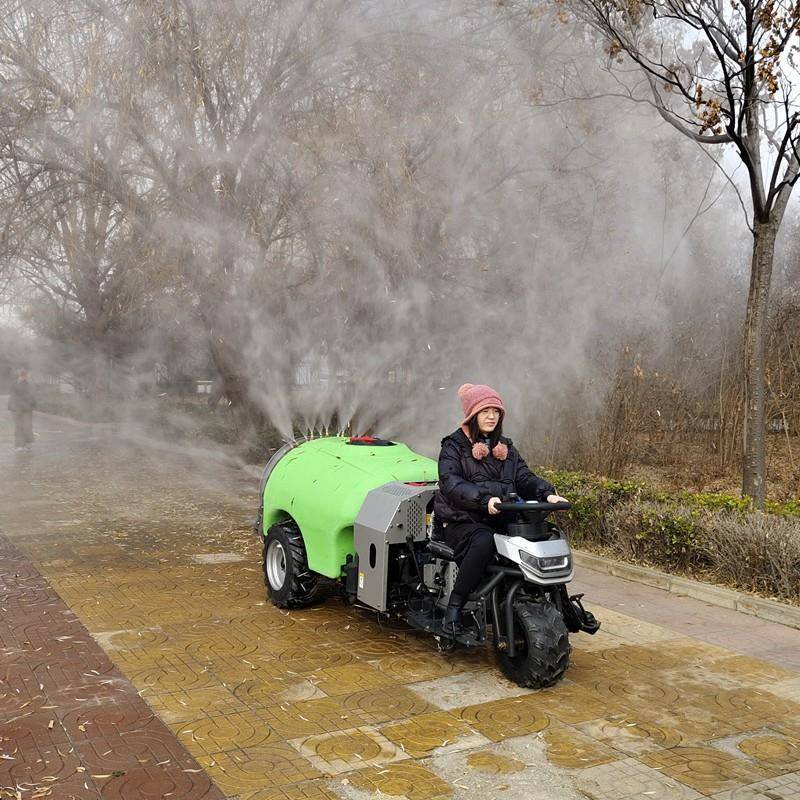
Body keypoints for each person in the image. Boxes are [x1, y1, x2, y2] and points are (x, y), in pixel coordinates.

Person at [433, 382, 567, 634]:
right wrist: (484, 500)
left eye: (496, 411)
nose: (492, 416)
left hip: (500, 517)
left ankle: (562, 605)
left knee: (546, 536)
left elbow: (525, 478)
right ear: (472, 415)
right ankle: (455, 605)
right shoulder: (453, 446)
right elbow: (451, 483)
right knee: (483, 541)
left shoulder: (506, 448)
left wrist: (547, 493)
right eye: (485, 411)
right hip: (462, 520)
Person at [8, 366, 36, 452]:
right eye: (22, 374)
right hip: (17, 408)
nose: (24, 376)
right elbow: (12, 395)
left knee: (27, 426)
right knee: (18, 426)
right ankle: (19, 445)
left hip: (27, 408)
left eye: (25, 374)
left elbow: (33, 395)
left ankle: (27, 444)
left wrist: (32, 404)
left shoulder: (30, 384)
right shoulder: (15, 383)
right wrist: (12, 407)